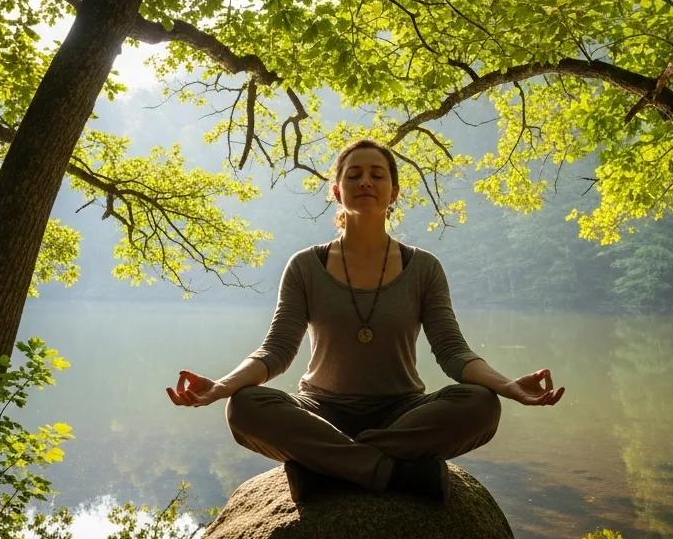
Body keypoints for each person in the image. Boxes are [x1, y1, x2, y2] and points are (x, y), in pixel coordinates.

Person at [166, 138, 565, 503]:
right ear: (337, 191)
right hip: (320, 410)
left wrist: (509, 386)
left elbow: (452, 351)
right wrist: (221, 386)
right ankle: (392, 470)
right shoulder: (306, 266)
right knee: (245, 407)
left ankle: (328, 463)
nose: (366, 182)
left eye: (377, 174)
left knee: (480, 405)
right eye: (353, 174)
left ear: (394, 192)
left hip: (403, 412)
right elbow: (276, 349)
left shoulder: (424, 268)